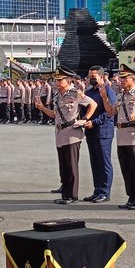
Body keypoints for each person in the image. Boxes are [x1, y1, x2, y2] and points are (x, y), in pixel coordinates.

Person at [34, 66, 97, 205]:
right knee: (64, 165)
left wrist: (85, 118)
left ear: (68, 81)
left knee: (71, 165)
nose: (57, 82)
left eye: (60, 80)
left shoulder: (75, 94)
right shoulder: (57, 95)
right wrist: (42, 108)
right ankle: (65, 193)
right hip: (60, 133)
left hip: (72, 133)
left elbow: (93, 104)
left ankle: (72, 195)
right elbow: (54, 114)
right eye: (56, 80)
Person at [100, 64, 135, 209]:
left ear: (133, 79)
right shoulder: (120, 95)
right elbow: (111, 112)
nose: (121, 81)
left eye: (124, 78)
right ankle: (131, 196)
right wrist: (105, 98)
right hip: (122, 136)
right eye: (121, 78)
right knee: (126, 168)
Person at [82, 65, 116, 203]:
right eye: (89, 77)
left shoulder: (108, 91)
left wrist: (94, 122)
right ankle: (97, 190)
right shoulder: (89, 92)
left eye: (93, 77)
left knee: (104, 162)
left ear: (101, 77)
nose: (91, 79)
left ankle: (105, 192)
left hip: (103, 131)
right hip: (90, 131)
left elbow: (109, 112)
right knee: (95, 162)